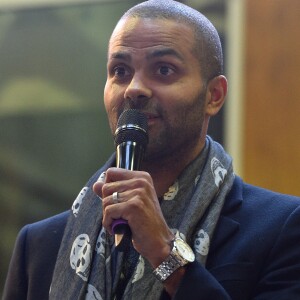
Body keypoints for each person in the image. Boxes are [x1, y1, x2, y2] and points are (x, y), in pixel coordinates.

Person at [3, 1, 300, 299]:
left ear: (214, 95)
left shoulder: (281, 229)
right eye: (120, 70)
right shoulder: (39, 245)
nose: (134, 88)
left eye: (164, 69)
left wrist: (164, 251)